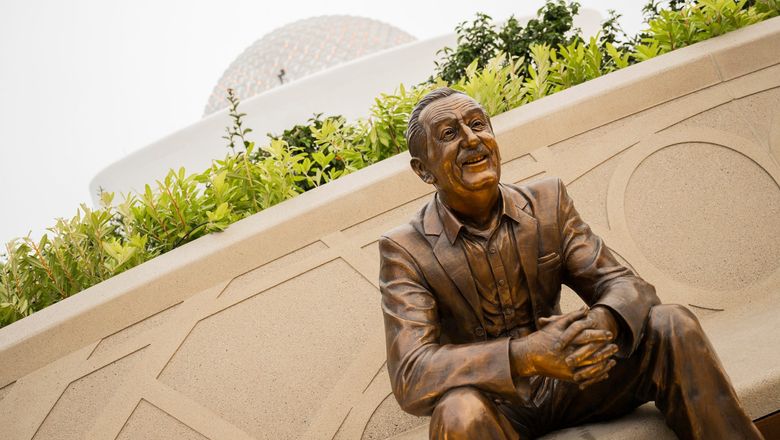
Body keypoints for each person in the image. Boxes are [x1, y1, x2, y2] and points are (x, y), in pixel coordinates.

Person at [378, 87, 763, 439]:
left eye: (478, 124)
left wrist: (596, 326)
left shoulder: (547, 201)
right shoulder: (404, 249)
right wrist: (529, 355)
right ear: (423, 169)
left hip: (577, 376)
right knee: (457, 412)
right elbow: (412, 373)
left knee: (672, 322)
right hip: (497, 407)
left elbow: (628, 286)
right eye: (449, 134)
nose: (472, 139)